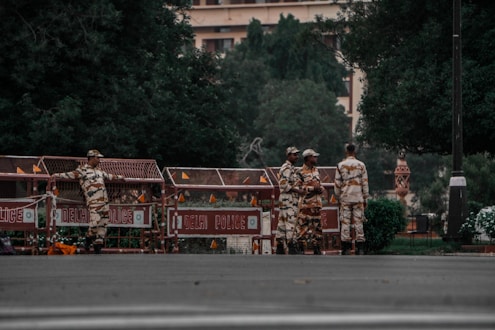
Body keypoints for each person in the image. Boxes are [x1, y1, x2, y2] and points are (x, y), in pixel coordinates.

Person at [51, 149, 124, 254]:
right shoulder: (82, 170)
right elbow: (70, 174)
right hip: (94, 202)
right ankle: (88, 239)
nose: (99, 160)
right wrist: (56, 175)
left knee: (103, 224)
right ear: (91, 158)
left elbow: (110, 176)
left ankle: (97, 247)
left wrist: (120, 177)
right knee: (95, 222)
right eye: (97, 158)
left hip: (105, 201)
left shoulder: (99, 171)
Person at [334, 143, 369, 255]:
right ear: (355, 151)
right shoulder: (361, 165)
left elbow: (337, 183)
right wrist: (365, 197)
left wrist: (338, 196)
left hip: (345, 197)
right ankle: (360, 246)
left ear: (346, 151)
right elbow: (365, 182)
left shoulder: (340, 165)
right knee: (359, 221)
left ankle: (346, 247)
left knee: (345, 221)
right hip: (358, 197)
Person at [275, 146, 303, 255]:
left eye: (297, 154)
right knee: (290, 221)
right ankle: (292, 246)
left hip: (286, 199)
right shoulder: (286, 168)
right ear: (288, 155)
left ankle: (280, 246)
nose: (297, 157)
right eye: (294, 154)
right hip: (288, 199)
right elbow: (283, 185)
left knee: (282, 223)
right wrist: (298, 190)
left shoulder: (291, 168)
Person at [296, 149, 324, 255]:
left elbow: (319, 184)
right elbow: (299, 188)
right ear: (308, 158)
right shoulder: (300, 172)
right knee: (303, 226)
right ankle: (301, 247)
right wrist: (312, 188)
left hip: (316, 204)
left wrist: (320, 188)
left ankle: (317, 247)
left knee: (317, 227)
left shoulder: (316, 171)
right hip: (306, 204)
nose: (316, 158)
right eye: (314, 157)